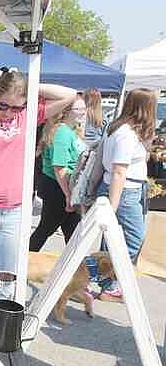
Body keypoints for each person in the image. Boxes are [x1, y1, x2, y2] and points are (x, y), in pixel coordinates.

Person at [0, 67, 77, 300]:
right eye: (3, 105)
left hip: (16, 211)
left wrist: (27, 85)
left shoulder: (28, 116)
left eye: (17, 106)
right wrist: (0, 74)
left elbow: (69, 95)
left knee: (7, 279)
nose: (9, 112)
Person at [95, 88, 157, 302]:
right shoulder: (126, 134)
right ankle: (107, 282)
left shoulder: (120, 130)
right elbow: (119, 171)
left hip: (124, 189)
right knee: (133, 239)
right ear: (146, 108)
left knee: (112, 241)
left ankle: (100, 281)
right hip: (124, 191)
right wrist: (113, 205)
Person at [29, 97, 87, 251]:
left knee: (72, 232)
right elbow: (59, 167)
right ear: (66, 112)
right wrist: (68, 195)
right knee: (46, 228)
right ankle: (24, 260)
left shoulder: (70, 130)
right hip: (58, 188)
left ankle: (74, 267)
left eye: (84, 108)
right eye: (79, 109)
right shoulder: (61, 132)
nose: (83, 112)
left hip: (64, 186)